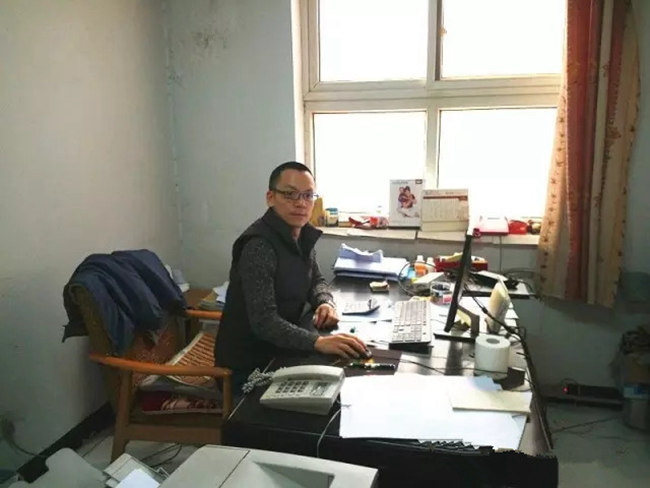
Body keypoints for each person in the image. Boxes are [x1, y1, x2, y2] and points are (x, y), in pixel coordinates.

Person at [214, 161, 367, 393]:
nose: (300, 203)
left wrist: (325, 302)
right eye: (289, 194)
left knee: (348, 375)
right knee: (330, 393)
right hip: (250, 366)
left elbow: (316, 280)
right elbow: (264, 322)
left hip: (282, 349)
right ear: (270, 197)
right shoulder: (259, 246)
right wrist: (318, 342)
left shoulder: (299, 234)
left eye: (307, 195)